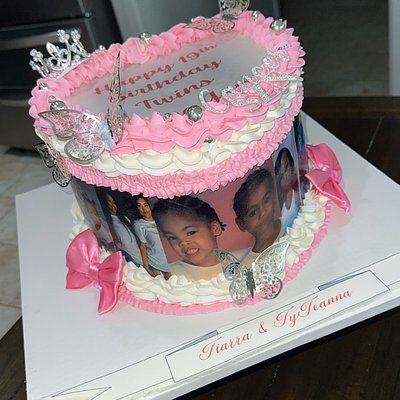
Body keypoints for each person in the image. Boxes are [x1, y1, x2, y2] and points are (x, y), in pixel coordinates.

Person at [152, 196, 224, 281]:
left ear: (214, 229)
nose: (182, 242)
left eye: (191, 233)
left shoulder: (237, 260)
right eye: (172, 237)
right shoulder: (168, 275)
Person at [233, 168, 282, 267]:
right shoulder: (249, 264)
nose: (263, 212)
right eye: (253, 213)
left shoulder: (291, 223)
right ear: (241, 224)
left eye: (266, 200)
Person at [100, 190, 143, 267]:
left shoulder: (124, 218)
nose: (113, 204)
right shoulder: (107, 224)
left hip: (142, 259)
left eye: (114, 201)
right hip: (131, 264)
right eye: (109, 201)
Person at [132, 195, 171, 279]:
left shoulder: (162, 219)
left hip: (170, 261)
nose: (143, 209)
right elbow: (142, 246)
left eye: (145, 205)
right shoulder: (139, 224)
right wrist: (146, 267)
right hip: (154, 263)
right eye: (139, 206)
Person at [275, 148, 299, 233]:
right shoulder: (276, 203)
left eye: (287, 168)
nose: (286, 175)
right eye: (282, 171)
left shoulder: (300, 192)